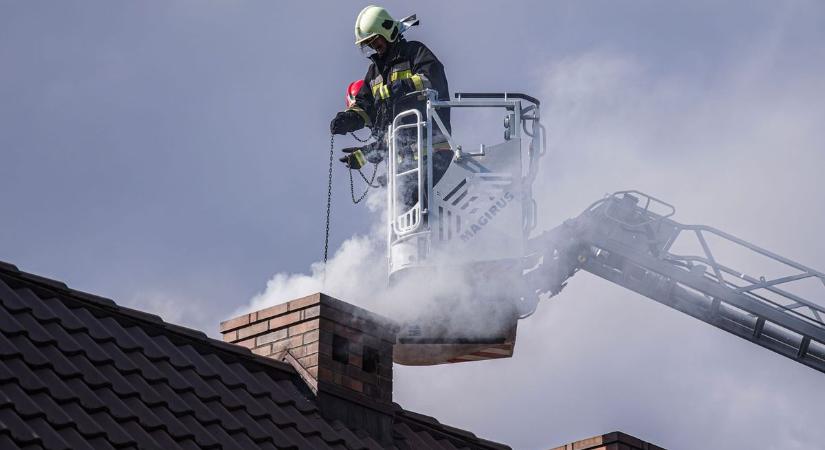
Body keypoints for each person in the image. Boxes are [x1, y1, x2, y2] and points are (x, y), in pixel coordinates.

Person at [330, 6, 452, 200]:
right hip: (403, 167)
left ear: (386, 31)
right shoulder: (374, 74)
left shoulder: (414, 52)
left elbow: (432, 78)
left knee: (429, 208)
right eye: (368, 43)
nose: (372, 46)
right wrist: (349, 119)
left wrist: (400, 87)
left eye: (374, 40)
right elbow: (366, 108)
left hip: (433, 154)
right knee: (411, 211)